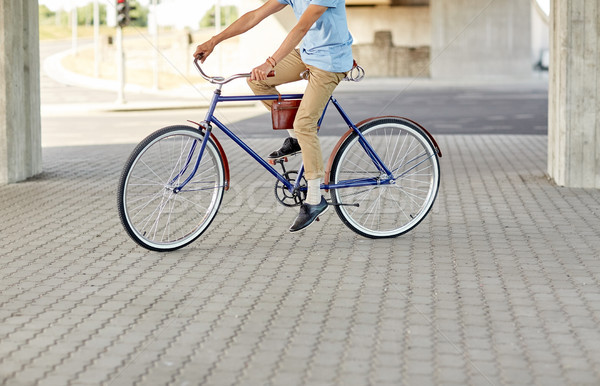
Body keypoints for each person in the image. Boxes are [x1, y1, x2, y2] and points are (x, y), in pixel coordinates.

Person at [193, 0, 353, 232]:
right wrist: (213, 41)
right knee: (256, 80)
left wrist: (271, 62)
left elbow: (302, 27)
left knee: (305, 123)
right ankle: (296, 139)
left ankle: (316, 199)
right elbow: (254, 16)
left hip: (330, 61)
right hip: (308, 54)